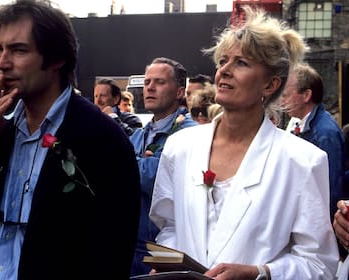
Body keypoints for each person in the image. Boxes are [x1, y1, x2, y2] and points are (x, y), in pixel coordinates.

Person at [0, 1, 141, 279]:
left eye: (18, 50)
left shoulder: (103, 138)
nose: (2, 63)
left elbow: (111, 250)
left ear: (57, 58)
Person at [149, 6, 339, 279]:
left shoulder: (303, 160)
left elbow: (319, 264)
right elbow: (169, 226)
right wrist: (169, 265)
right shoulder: (180, 147)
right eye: (223, 60)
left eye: (241, 63)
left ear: (270, 85)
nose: (224, 70)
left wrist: (260, 273)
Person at [129, 57, 197, 276]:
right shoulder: (140, 134)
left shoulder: (189, 133)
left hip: (167, 247)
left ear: (179, 92)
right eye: (147, 82)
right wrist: (144, 163)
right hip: (134, 243)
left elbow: (153, 179)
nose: (149, 87)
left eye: (159, 82)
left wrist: (136, 165)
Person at [281, 63, 347, 220]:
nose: (282, 102)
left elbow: (329, 189)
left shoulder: (325, 133)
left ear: (306, 95)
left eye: (285, 95)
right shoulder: (303, 123)